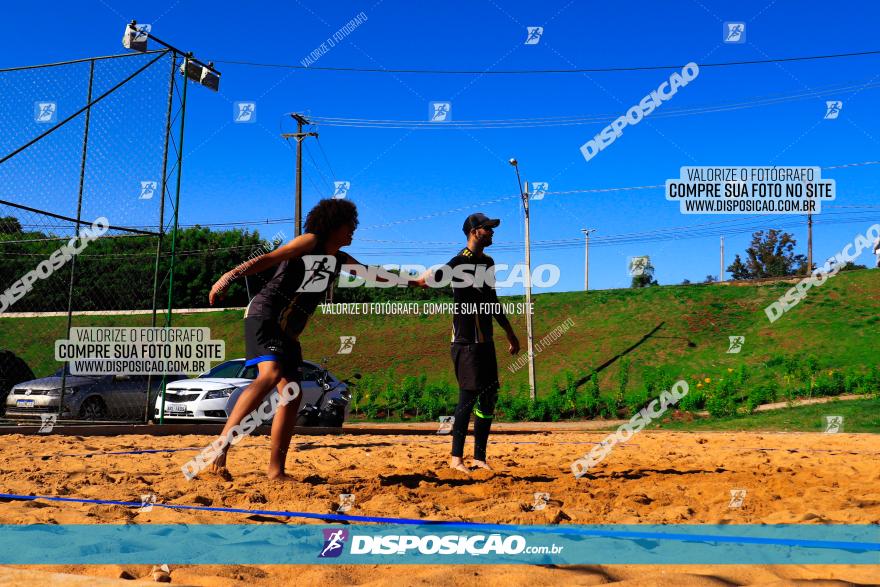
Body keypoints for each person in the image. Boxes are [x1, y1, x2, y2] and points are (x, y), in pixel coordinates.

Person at [206, 199, 380, 480]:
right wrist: (230, 275)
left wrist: (416, 282)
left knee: (292, 394)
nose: (353, 231)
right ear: (332, 224)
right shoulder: (309, 242)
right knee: (271, 374)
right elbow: (269, 259)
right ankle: (220, 448)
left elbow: (374, 275)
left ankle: (276, 471)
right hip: (265, 315)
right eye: (349, 225)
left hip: (288, 332)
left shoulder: (338, 259)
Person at [416, 213, 520, 474]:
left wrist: (509, 332)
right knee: (468, 397)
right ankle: (456, 459)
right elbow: (433, 279)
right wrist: (425, 279)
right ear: (475, 232)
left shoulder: (488, 262)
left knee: (489, 397)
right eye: (488, 229)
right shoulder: (459, 261)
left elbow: (492, 301)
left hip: (485, 341)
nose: (493, 233)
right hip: (465, 341)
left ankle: (480, 458)